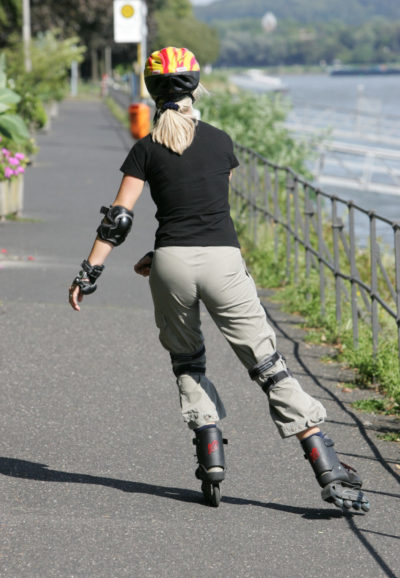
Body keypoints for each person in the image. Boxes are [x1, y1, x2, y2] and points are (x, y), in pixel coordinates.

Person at [68, 47, 369, 511]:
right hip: (223, 262)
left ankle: (210, 455)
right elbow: (208, 210)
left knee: (188, 361)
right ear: (195, 83)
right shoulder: (221, 141)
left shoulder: (146, 147)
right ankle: (326, 466)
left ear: (152, 90)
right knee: (268, 366)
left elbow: (119, 220)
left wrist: (91, 272)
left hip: (171, 266)